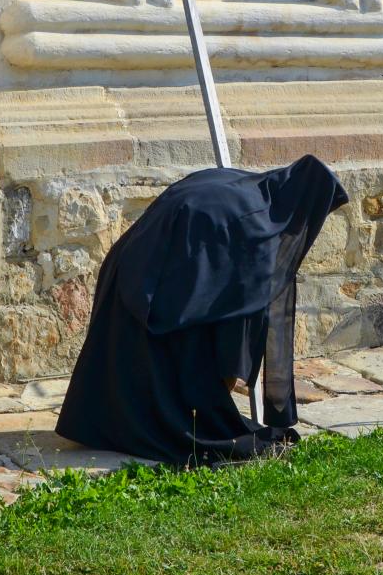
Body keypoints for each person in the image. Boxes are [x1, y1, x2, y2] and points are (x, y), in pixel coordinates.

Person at [55, 154, 348, 465]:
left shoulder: (244, 187)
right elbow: (243, 307)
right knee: (176, 373)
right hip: (152, 280)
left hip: (132, 265)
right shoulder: (256, 219)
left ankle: (104, 421)